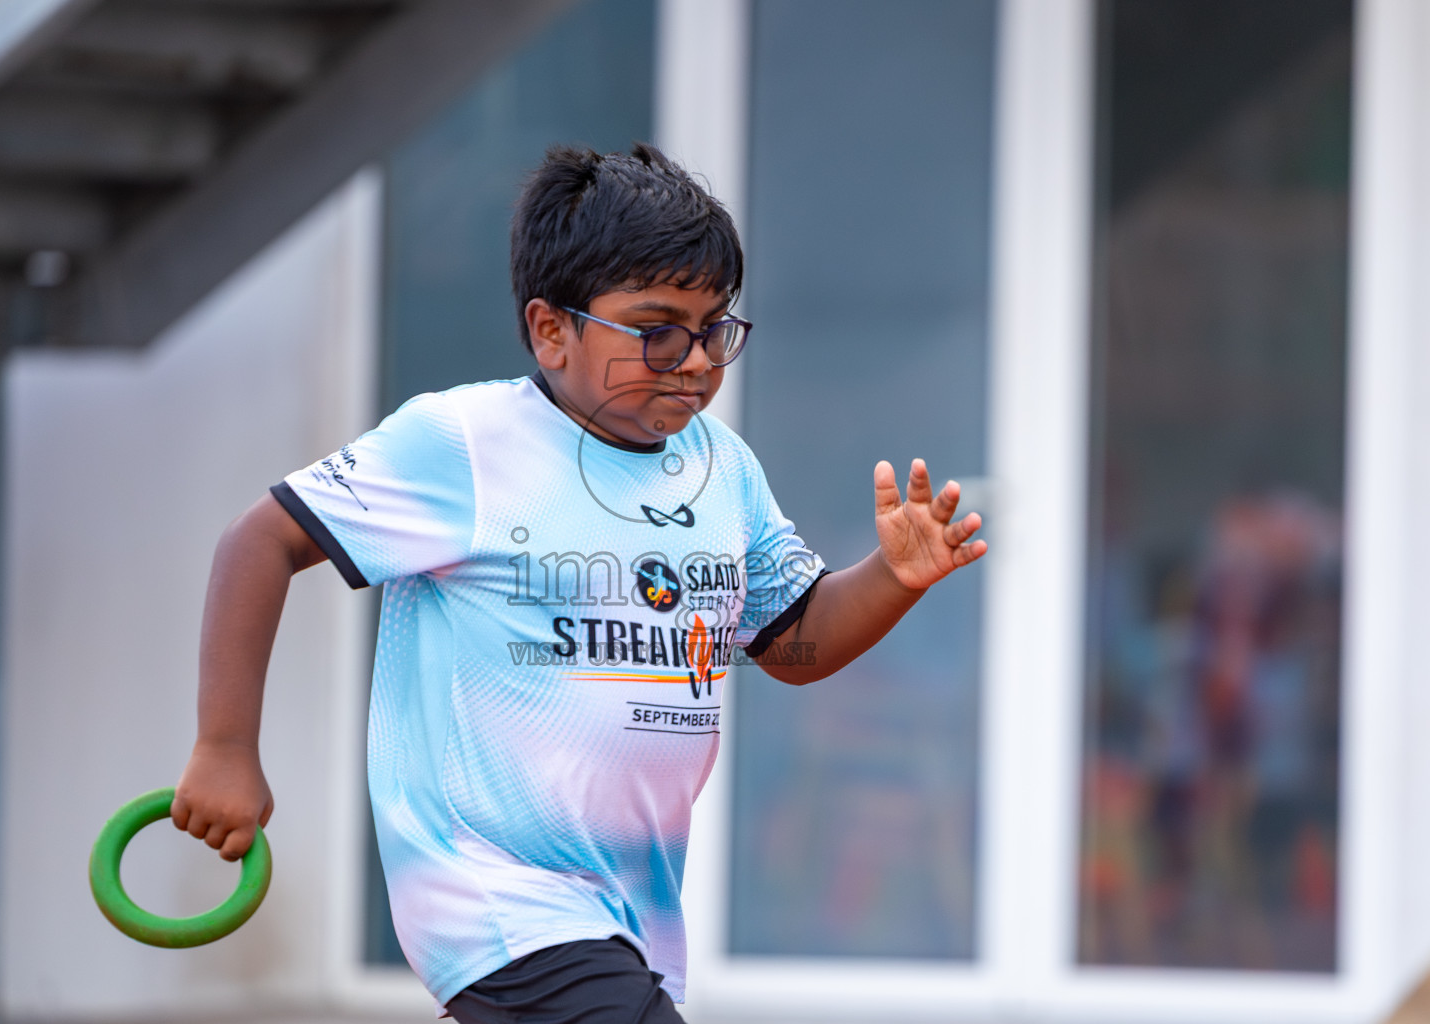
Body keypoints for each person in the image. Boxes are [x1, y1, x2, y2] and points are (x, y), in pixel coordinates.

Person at [170, 143, 986, 1022]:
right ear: (551, 329)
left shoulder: (722, 467)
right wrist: (224, 748)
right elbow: (258, 542)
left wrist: (895, 578)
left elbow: (789, 643)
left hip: (633, 911)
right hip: (491, 894)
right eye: (658, 329)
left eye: (716, 328)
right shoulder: (464, 443)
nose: (698, 360)